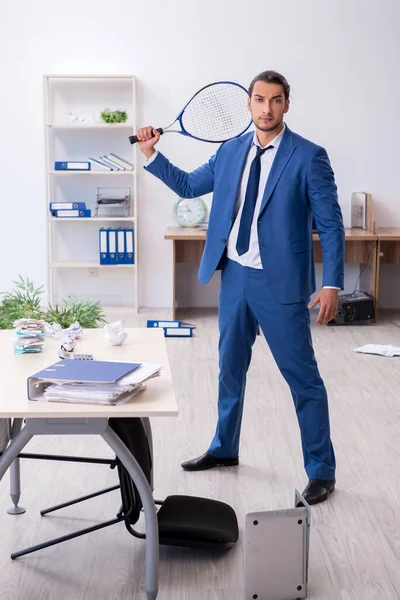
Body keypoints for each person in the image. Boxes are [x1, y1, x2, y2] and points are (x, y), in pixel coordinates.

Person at [137, 70, 345, 506]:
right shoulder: (230, 151)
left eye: (275, 100)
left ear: (287, 104)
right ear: (247, 105)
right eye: (259, 99)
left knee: (302, 378)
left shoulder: (309, 157)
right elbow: (190, 186)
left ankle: (321, 469)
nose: (266, 108)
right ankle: (224, 447)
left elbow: (330, 224)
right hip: (233, 276)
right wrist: (152, 153)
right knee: (229, 368)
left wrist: (332, 284)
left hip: (281, 284)